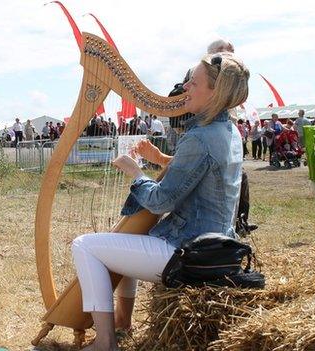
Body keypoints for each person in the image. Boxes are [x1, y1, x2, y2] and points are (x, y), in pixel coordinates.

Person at [72, 52, 249, 350]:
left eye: (193, 83)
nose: (185, 88)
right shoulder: (229, 132)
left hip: (190, 252)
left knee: (84, 245)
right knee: (131, 233)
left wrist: (135, 172)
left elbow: (160, 202)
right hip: (219, 247)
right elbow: (193, 178)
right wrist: (158, 161)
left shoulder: (200, 137)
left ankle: (104, 342)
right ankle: (121, 322)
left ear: (215, 92)